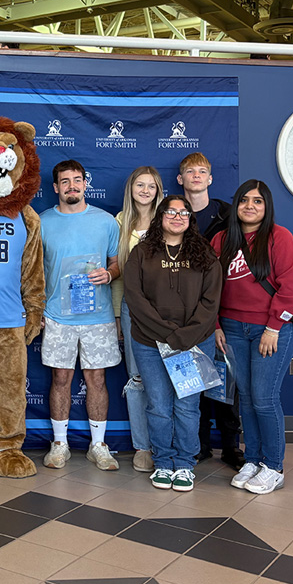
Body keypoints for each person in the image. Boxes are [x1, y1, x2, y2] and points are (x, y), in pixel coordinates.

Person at [212, 180, 293, 495]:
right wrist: (215, 325)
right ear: (235, 205)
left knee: (265, 399)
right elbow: (211, 290)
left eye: (257, 201)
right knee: (248, 400)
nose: (250, 206)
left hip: (271, 330)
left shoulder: (280, 238)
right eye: (244, 200)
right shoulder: (221, 240)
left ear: (266, 207)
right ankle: (252, 459)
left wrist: (273, 327)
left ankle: (274, 466)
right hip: (233, 329)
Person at [124, 196, 222, 492]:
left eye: (184, 212)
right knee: (158, 405)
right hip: (150, 343)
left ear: (191, 218)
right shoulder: (142, 252)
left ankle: (185, 464)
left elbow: (211, 303)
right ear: (160, 216)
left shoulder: (205, 255)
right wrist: (167, 334)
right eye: (171, 212)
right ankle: (163, 462)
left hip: (193, 344)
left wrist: (183, 337)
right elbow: (135, 298)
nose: (177, 217)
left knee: (188, 406)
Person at [39, 160, 121, 471]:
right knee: (60, 378)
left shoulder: (106, 222)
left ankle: (98, 445)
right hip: (57, 315)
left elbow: (117, 264)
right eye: (65, 181)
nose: (72, 186)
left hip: (97, 317)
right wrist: (39, 309)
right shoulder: (42, 221)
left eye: (77, 180)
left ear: (85, 183)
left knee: (97, 379)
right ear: (56, 187)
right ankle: (59, 444)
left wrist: (109, 275)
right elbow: (32, 270)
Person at [177, 151, 242, 468]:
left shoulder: (230, 216)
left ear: (211, 178)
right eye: (190, 171)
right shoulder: (174, 215)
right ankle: (199, 446)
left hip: (224, 309)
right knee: (194, 382)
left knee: (227, 380)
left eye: (203, 171)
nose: (197, 176)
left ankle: (231, 448)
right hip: (187, 312)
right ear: (181, 179)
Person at [111, 167, 164, 473]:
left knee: (167, 378)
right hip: (133, 310)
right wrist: (118, 314)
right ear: (131, 188)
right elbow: (118, 273)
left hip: (167, 312)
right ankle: (143, 447)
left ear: (159, 190)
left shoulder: (169, 218)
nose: (145, 190)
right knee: (138, 378)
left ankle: (165, 445)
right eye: (140, 185)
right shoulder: (121, 221)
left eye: (151, 186)